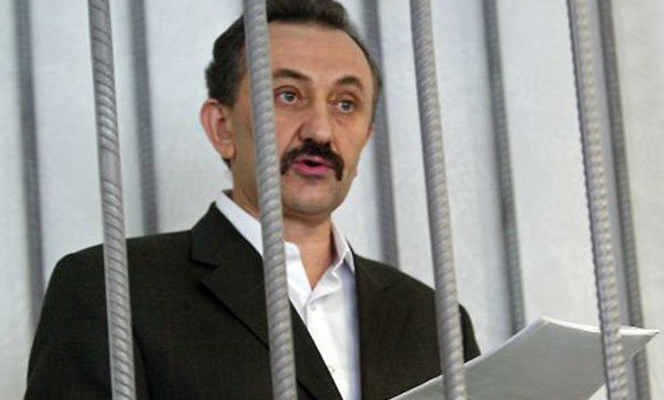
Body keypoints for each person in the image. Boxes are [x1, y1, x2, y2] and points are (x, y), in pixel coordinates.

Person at [25, 1, 479, 399]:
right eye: (288, 95)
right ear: (222, 128)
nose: (321, 130)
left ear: (366, 134)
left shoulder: (434, 320)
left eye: (345, 103)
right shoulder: (113, 289)